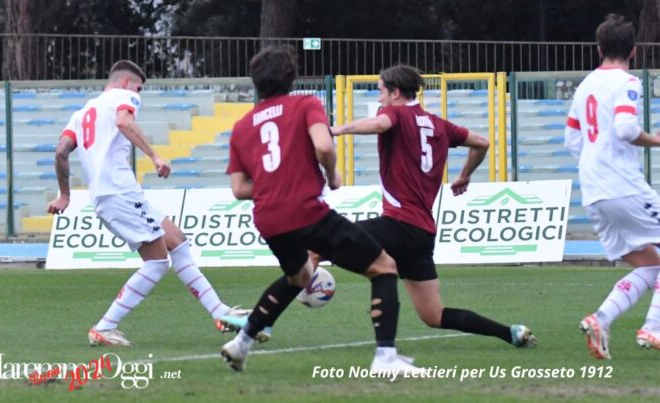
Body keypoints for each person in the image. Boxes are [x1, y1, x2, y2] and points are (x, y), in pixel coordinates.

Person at [219, 46, 418, 375]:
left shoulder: (242, 127)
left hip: (268, 220)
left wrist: (275, 185)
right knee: (383, 267)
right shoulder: (305, 104)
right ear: (291, 77)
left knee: (299, 276)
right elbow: (324, 145)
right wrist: (331, 175)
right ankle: (386, 358)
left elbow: (240, 189)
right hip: (306, 211)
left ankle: (241, 343)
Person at [327, 64, 537, 350]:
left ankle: (264, 320)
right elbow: (482, 143)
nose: (378, 99)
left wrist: (337, 130)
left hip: (398, 223)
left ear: (395, 93)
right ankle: (510, 332)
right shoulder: (438, 124)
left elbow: (380, 125)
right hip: (422, 232)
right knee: (433, 315)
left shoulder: (393, 114)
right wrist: (465, 175)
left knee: (321, 243)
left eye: (380, 92)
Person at [47, 60, 248, 347]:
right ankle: (104, 327)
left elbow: (61, 151)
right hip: (120, 192)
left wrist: (65, 194)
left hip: (111, 194)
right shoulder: (124, 96)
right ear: (128, 83)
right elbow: (124, 121)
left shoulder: (81, 114)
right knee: (156, 262)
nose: (139, 94)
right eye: (139, 88)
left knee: (176, 240)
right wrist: (155, 157)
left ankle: (220, 312)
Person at [565, 14, 660, 359]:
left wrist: (597, 161)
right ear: (633, 51)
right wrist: (655, 140)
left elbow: (572, 140)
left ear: (599, 48)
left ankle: (600, 319)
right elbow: (625, 128)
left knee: (650, 264)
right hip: (623, 186)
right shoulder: (627, 82)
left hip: (594, 192)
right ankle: (653, 328)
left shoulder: (585, 85)